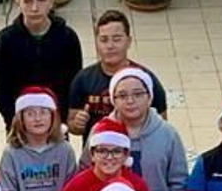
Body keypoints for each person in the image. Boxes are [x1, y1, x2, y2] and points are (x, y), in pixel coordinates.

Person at [0, 0, 83, 124]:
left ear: (51, 1)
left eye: (41, 0)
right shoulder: (5, 40)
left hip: (56, 123)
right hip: (19, 122)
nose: (34, 8)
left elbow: (74, 84)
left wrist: (60, 118)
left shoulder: (67, 37)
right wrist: (15, 119)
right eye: (27, 1)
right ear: (18, 2)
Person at [67, 10, 169, 140]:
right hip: (98, 155)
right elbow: (72, 125)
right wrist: (78, 124)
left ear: (129, 41)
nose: (110, 46)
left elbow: (162, 126)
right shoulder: (83, 79)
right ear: (96, 43)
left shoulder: (146, 80)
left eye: (116, 39)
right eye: (104, 40)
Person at [106, 67, 187, 191]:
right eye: (122, 95)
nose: (130, 101)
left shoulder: (167, 134)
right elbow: (86, 171)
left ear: (149, 97)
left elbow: (178, 181)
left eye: (138, 94)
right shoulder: (102, 132)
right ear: (113, 101)